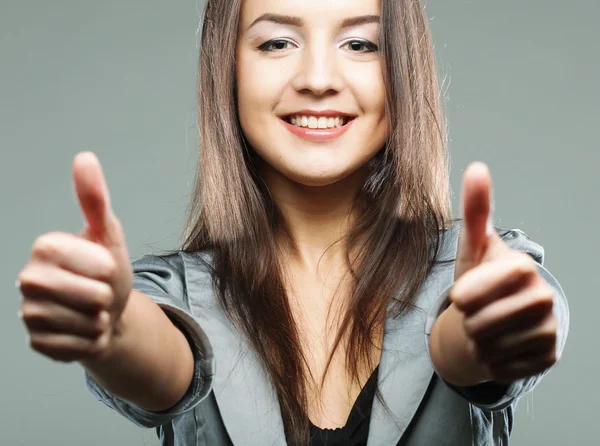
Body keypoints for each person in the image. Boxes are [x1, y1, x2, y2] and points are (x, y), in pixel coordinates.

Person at [16, 0, 569, 445]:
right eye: (277, 42)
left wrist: (488, 332)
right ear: (227, 69)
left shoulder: (480, 271)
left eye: (361, 43)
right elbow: (161, 360)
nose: (318, 79)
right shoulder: (175, 292)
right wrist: (111, 332)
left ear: (403, 69)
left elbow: (473, 342)